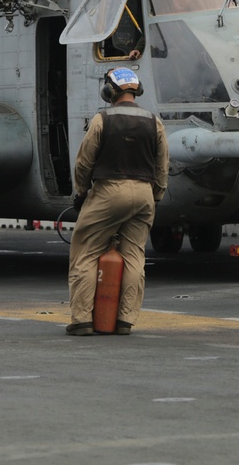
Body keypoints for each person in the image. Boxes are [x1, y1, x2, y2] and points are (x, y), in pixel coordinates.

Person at [66, 67, 169, 336]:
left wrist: (81, 191)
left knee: (86, 251)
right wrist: (155, 196)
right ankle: (125, 320)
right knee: (134, 255)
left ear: (109, 90)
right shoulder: (153, 121)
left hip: (110, 190)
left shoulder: (102, 119)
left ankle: (82, 320)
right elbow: (162, 166)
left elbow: (84, 161)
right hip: (144, 193)